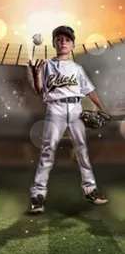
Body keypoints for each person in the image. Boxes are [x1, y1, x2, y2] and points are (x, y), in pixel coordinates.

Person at [28, 25, 108, 214]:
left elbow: (89, 90)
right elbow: (40, 91)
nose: (62, 42)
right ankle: (38, 194)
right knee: (48, 150)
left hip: (75, 108)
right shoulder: (46, 64)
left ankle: (90, 190)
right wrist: (35, 75)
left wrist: (102, 109)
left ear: (72, 45)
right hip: (55, 108)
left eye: (67, 39)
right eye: (59, 39)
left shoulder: (77, 68)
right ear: (54, 43)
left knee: (81, 149)